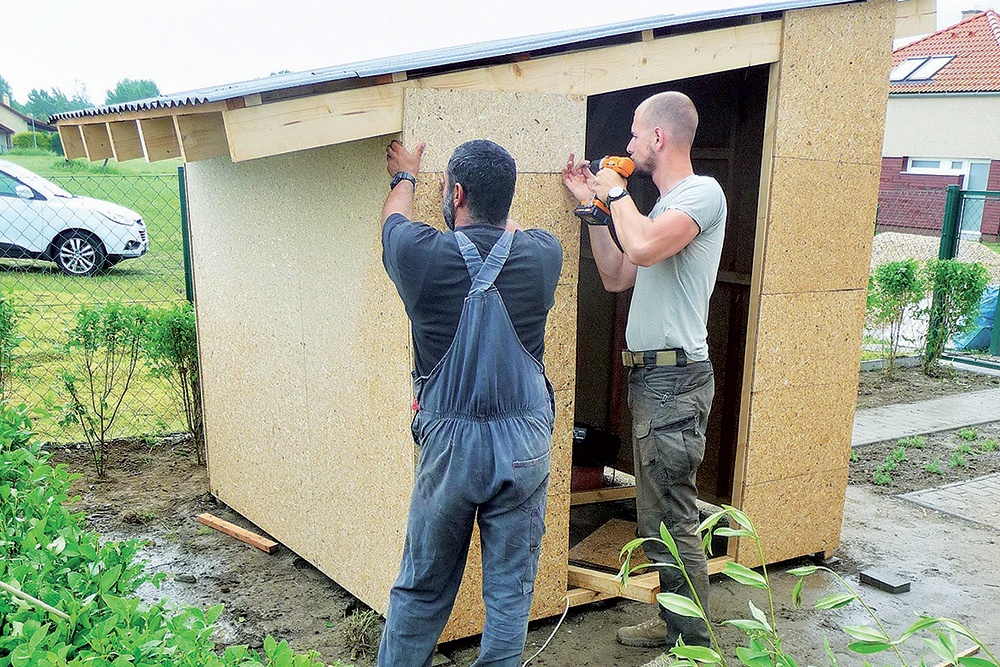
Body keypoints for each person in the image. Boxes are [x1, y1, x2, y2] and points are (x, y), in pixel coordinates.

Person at [378, 138, 563, 667]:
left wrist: (405, 178)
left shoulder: (420, 257)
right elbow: (509, 235)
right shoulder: (543, 256)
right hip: (523, 447)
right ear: (508, 200)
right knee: (509, 595)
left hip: (451, 450)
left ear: (455, 194)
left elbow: (392, 224)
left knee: (422, 589)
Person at [562, 91, 727, 655]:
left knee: (674, 517)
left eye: (634, 135)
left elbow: (643, 245)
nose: (627, 147)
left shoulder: (702, 195)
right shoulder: (656, 209)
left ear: (659, 138)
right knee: (655, 516)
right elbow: (615, 272)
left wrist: (614, 191)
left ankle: (695, 646)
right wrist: (591, 209)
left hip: (675, 381)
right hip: (651, 382)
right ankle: (672, 621)